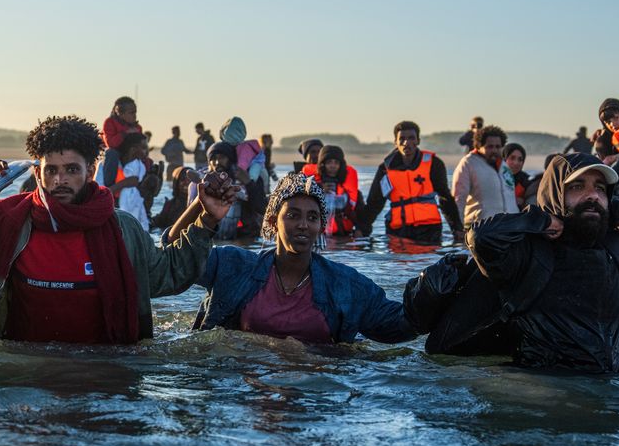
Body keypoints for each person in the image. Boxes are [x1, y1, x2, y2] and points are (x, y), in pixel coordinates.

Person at [0, 114, 235, 344]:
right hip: (22, 373)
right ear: (38, 173)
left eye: (71, 170)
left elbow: (168, 276)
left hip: (104, 369)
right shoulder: (7, 223)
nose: (59, 179)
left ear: (91, 170)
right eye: (50, 170)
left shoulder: (122, 228)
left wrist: (207, 220)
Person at [424, 153, 619, 373]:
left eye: (600, 188)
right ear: (556, 194)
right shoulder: (527, 254)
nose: (591, 196)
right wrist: (540, 221)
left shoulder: (618, 249)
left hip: (609, 392)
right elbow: (481, 237)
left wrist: (615, 209)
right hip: (544, 390)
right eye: (578, 187)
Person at [193, 173, 415, 344]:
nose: (303, 225)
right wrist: (203, 210)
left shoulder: (345, 284)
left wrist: (431, 292)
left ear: (320, 227)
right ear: (272, 221)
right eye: (292, 215)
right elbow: (174, 262)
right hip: (247, 388)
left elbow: (399, 323)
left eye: (312, 217)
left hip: (316, 392)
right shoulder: (234, 266)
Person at [357, 120, 464, 244]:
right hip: (397, 231)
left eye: (411, 138)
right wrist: (361, 229)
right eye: (401, 139)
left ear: (418, 141)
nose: (406, 143)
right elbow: (374, 203)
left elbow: (445, 198)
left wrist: (457, 228)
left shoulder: (433, 164)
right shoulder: (385, 169)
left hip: (429, 230)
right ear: (395, 142)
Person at [451, 125, 518, 229]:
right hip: (481, 229)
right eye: (489, 147)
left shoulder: (504, 166)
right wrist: (457, 228)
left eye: (498, 146)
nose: (494, 150)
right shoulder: (468, 163)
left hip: (510, 227)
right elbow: (459, 198)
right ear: (478, 146)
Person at [314, 144, 361, 237]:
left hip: (343, 234)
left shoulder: (351, 191)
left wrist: (359, 229)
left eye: (336, 162)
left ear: (341, 165)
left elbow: (360, 212)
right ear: (322, 164)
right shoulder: (312, 185)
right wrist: (319, 188)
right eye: (329, 162)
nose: (333, 166)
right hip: (319, 234)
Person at [116, 133, 151, 231]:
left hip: (134, 199)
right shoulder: (112, 164)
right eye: (144, 147)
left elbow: (134, 181)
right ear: (133, 149)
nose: (147, 151)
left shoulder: (139, 165)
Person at [152, 167, 195, 231]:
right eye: (182, 179)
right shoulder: (169, 205)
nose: (187, 182)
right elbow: (158, 222)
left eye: (190, 179)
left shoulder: (199, 203)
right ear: (176, 183)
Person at [504, 142, 529, 209]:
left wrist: (524, 202)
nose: (516, 163)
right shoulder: (495, 179)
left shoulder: (527, 181)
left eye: (520, 159)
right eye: (512, 158)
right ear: (504, 159)